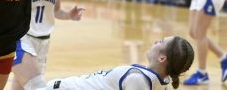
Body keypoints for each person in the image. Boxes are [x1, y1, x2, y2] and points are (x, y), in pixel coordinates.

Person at [11, 0, 85, 90]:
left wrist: (69, 15)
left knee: (20, 86)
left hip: (43, 42)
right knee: (37, 86)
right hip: (22, 38)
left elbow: (56, 10)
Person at [37, 36, 194, 90]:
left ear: (162, 58)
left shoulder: (138, 80)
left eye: (160, 42)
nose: (155, 41)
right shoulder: (159, 82)